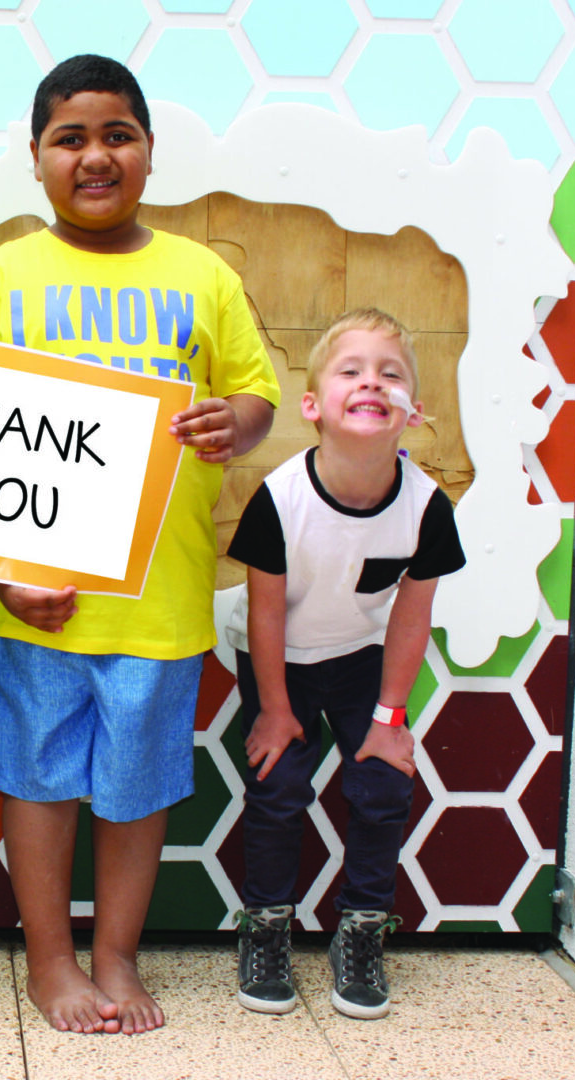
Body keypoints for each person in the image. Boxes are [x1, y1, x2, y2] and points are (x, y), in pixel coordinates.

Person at [0, 54, 281, 1035]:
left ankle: (118, 957)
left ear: (148, 152)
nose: (95, 155)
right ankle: (52, 961)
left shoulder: (203, 274)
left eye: (116, 134)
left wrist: (241, 423)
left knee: (135, 792)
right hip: (35, 599)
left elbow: (253, 392)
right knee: (40, 786)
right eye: (70, 138)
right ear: (37, 160)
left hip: (160, 600)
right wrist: (3, 574)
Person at [226, 307, 466, 1021]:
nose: (372, 382)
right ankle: (266, 927)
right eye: (351, 371)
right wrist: (274, 708)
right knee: (279, 784)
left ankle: (362, 929)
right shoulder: (280, 499)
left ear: (411, 411)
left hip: (362, 657)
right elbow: (266, 613)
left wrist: (390, 718)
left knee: (382, 784)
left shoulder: (427, 508)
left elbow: (410, 617)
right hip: (280, 658)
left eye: (390, 374)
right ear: (314, 407)